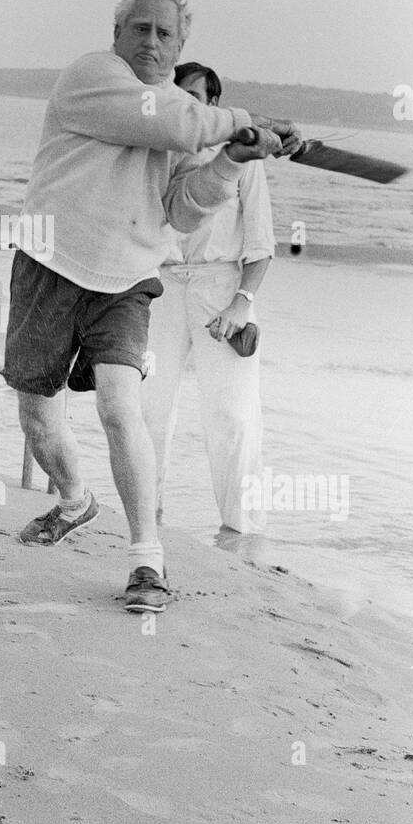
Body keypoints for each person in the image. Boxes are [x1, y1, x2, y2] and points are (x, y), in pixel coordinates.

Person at [0, 0, 301, 612]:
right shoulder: (93, 77)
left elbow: (184, 210)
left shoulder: (184, 120)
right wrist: (243, 125)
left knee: (119, 407)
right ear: (117, 35)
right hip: (50, 261)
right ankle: (76, 498)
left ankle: (146, 562)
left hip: (127, 280)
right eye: (141, 28)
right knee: (38, 420)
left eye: (166, 34)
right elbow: (161, 119)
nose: (153, 41)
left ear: (180, 45)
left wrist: (232, 162)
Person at [141, 61, 274, 534]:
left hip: (222, 287)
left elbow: (261, 245)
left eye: (199, 97)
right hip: (162, 285)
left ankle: (242, 530)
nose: (190, 105)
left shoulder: (241, 156)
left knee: (233, 417)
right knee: (148, 410)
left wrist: (241, 303)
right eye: (182, 96)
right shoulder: (157, 151)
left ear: (215, 105)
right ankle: (146, 518)